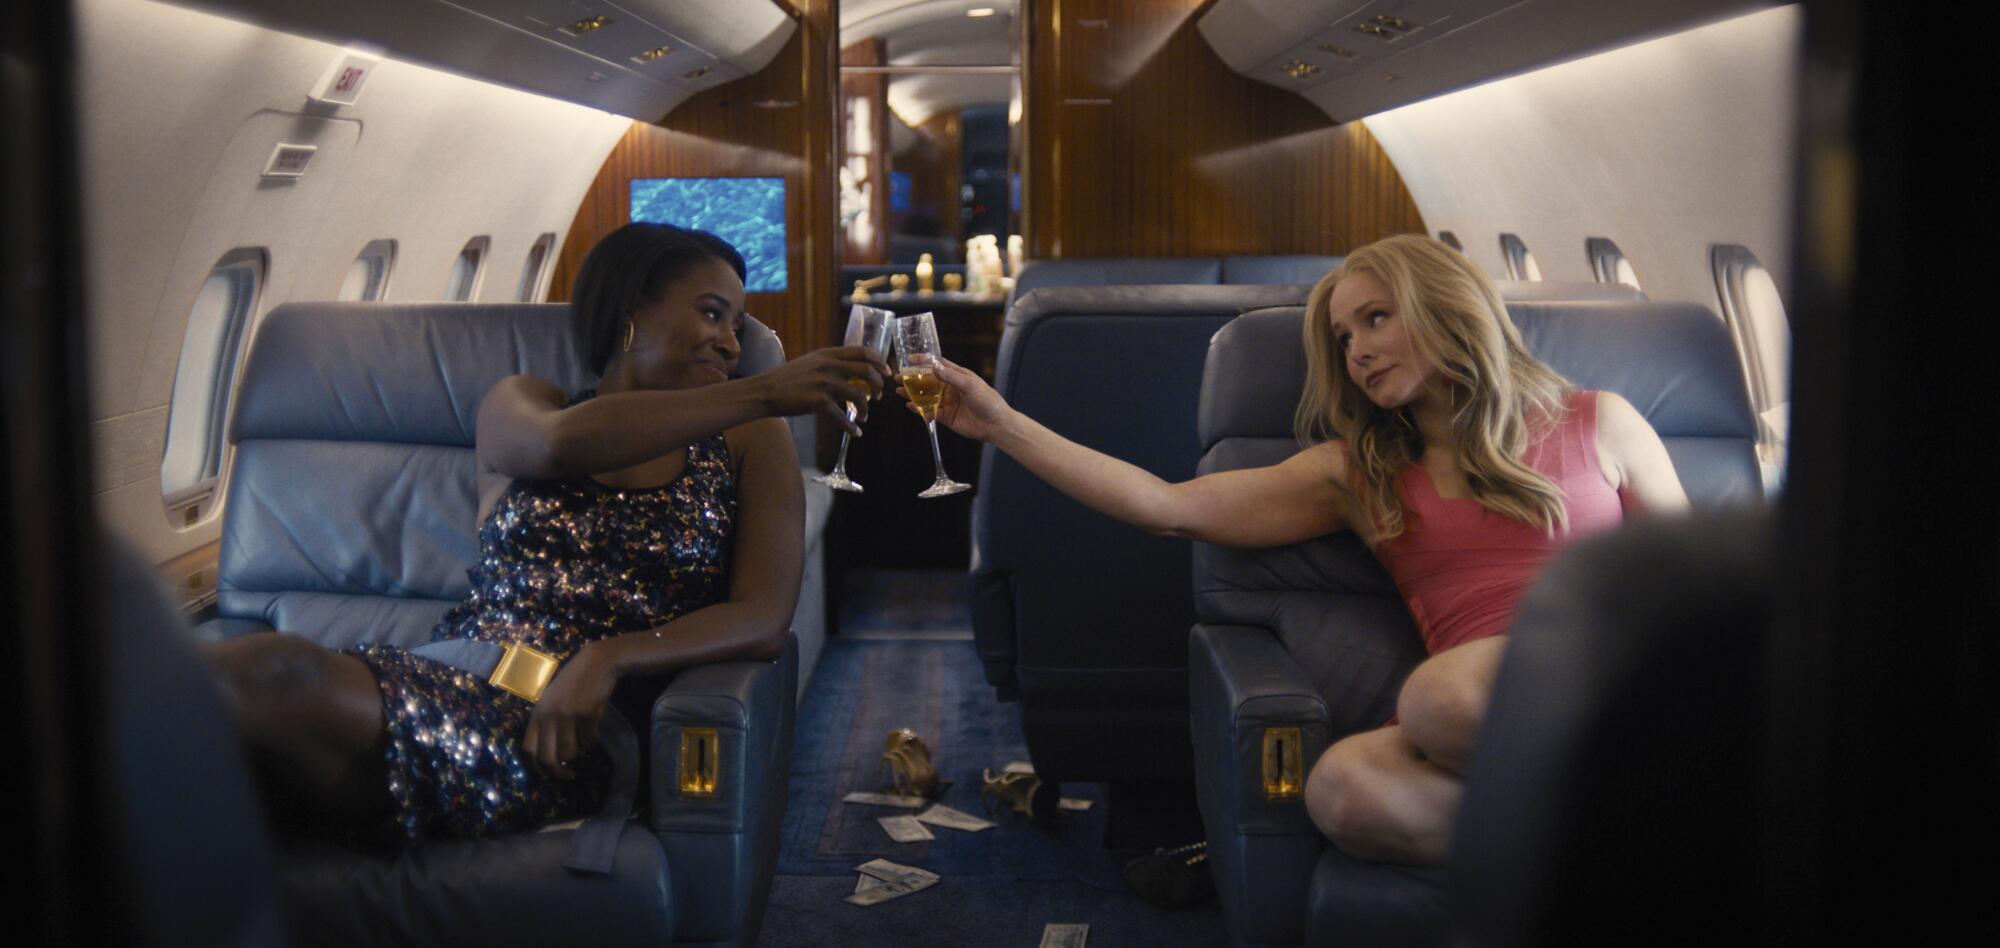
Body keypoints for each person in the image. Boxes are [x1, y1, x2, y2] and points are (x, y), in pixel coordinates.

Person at [914, 234, 1687, 866]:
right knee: (1343, 786)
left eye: (1377, 319)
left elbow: (1691, 579)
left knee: (1433, 698)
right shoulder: (1359, 474)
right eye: (1344, 338)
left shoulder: (1602, 422)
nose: (1357, 351)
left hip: (1604, 671)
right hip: (1470, 713)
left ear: (1445, 305)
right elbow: (1166, 508)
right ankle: (1612, 828)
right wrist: (1004, 425)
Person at [203, 222, 893, 844]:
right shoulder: (525, 405)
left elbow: (763, 617)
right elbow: (561, 448)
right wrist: (768, 386)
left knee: (274, 681)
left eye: (738, 326)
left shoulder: (749, 437)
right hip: (457, 672)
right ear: (630, 308)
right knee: (249, 712)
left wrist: (609, 657)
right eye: (711, 313)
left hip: (565, 729)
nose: (731, 342)